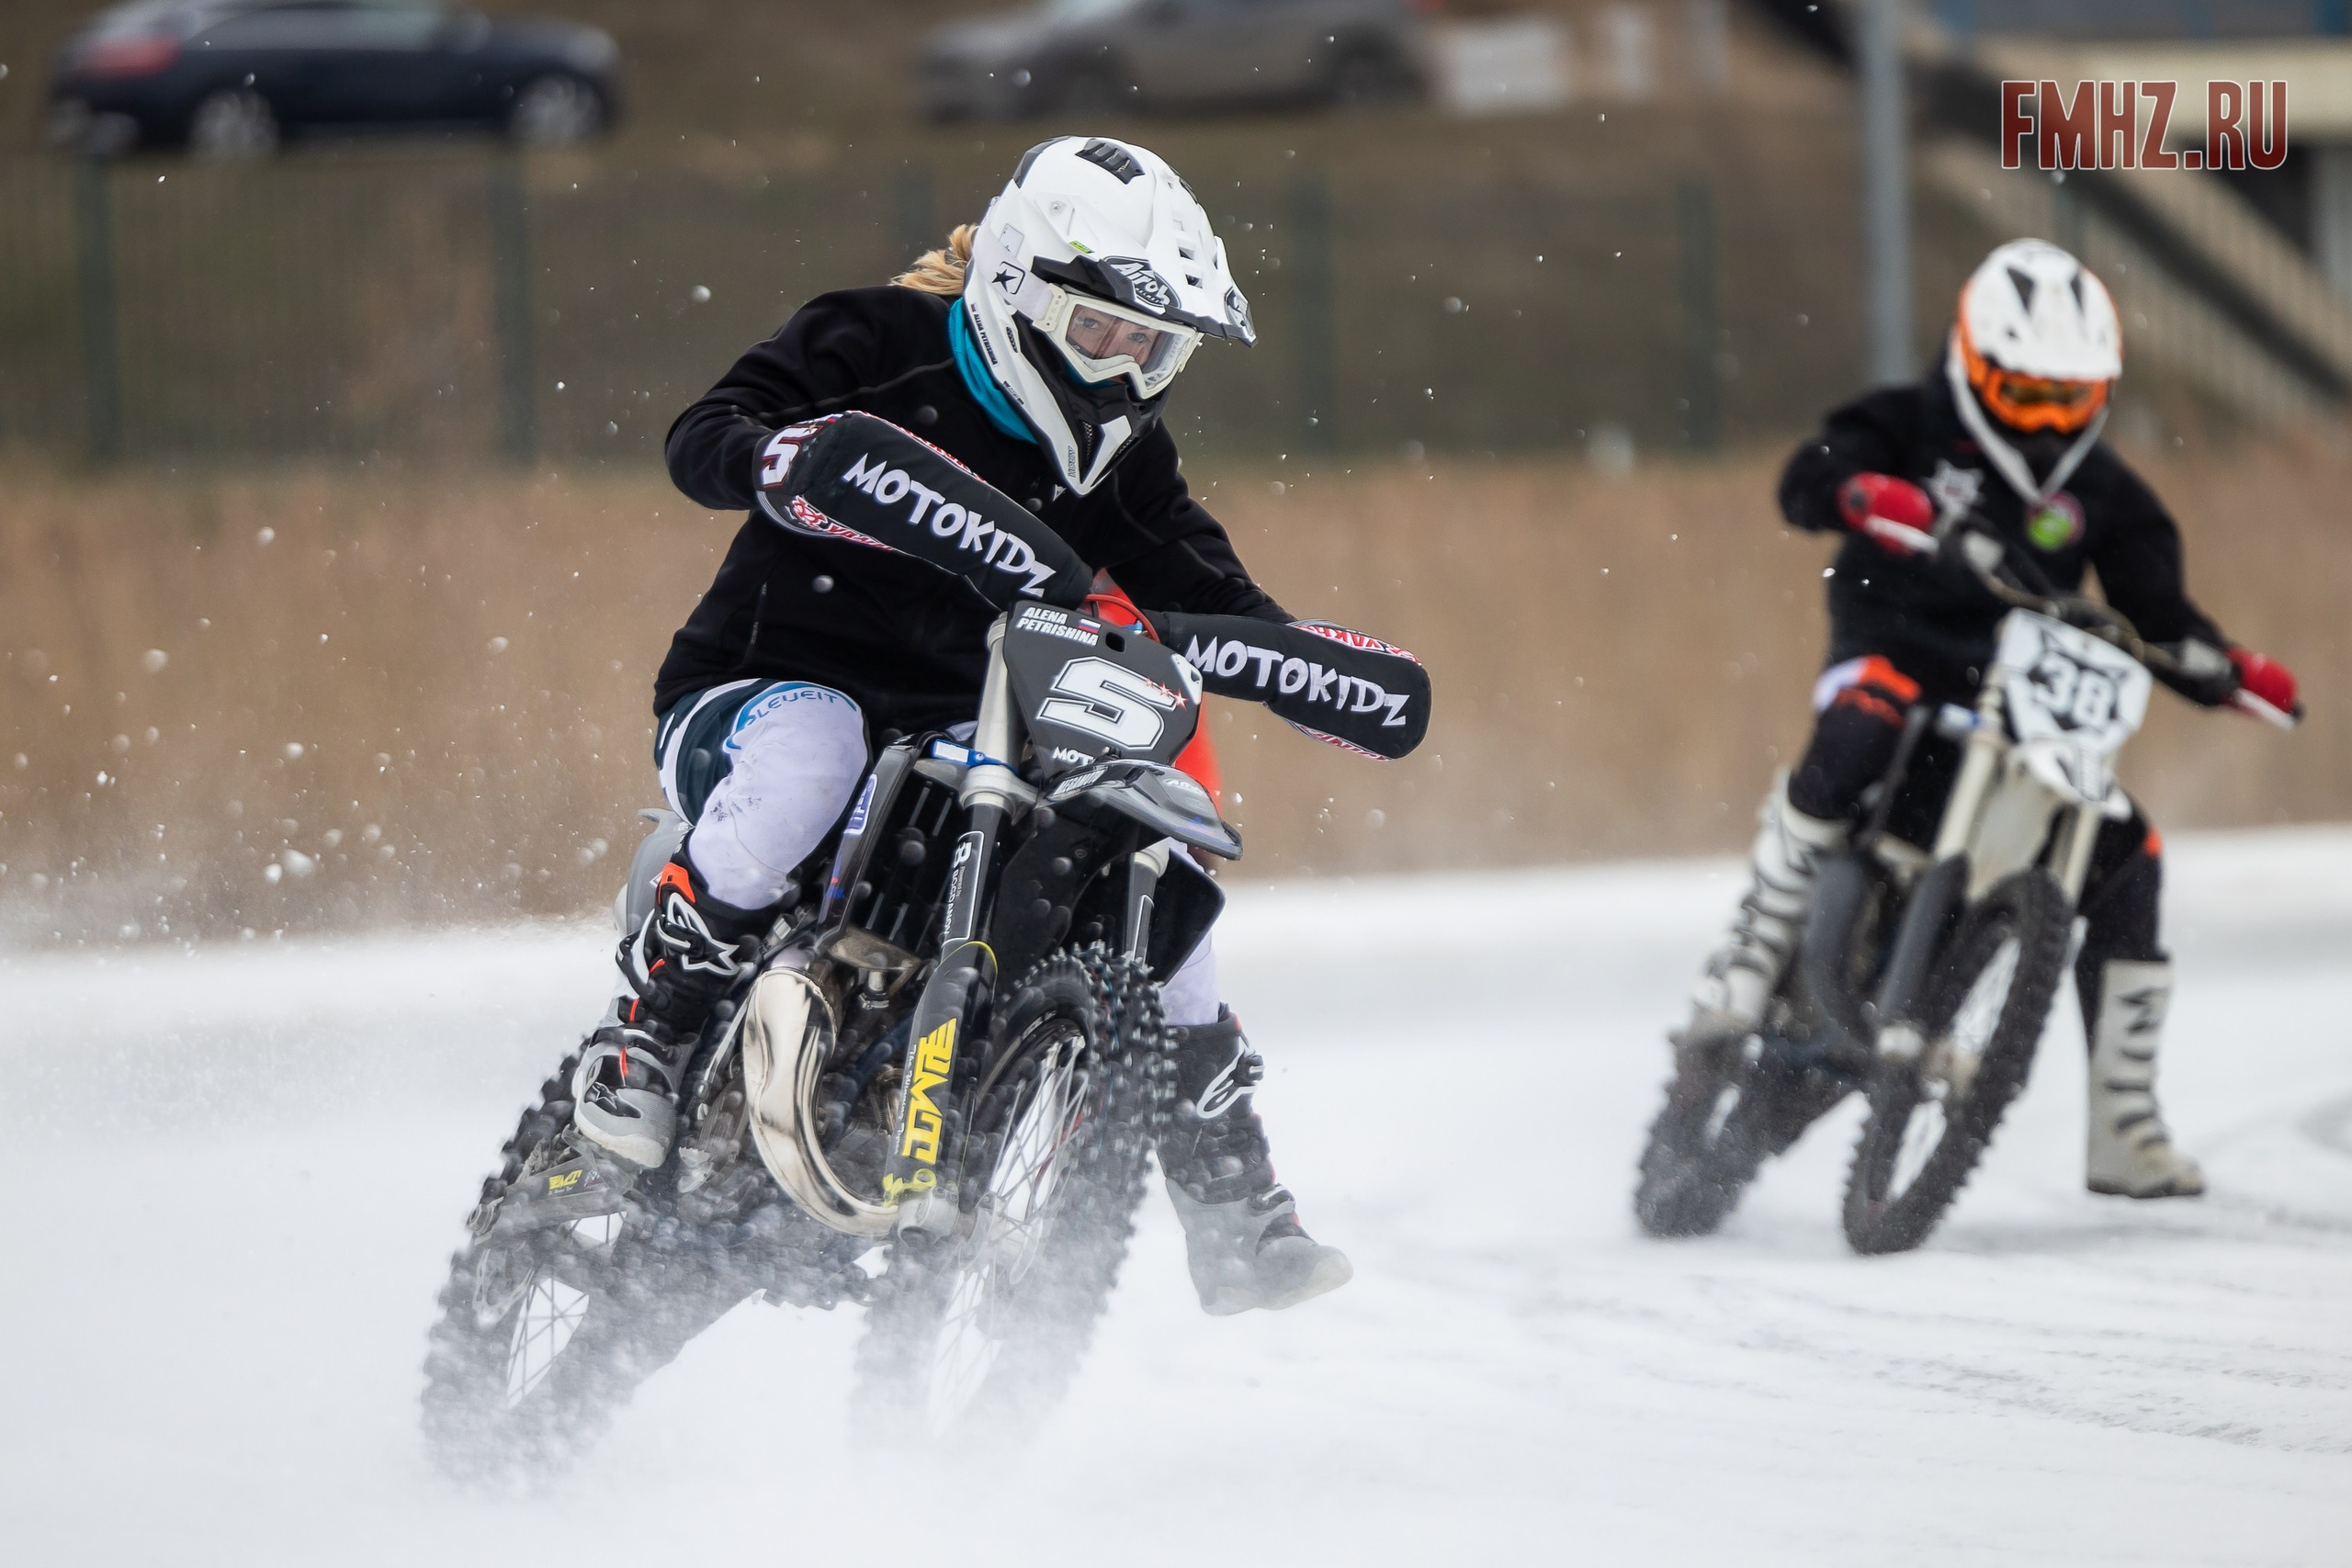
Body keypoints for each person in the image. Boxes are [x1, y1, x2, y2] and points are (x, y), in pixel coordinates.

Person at [570, 136, 1358, 1314]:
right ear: (1019, 288)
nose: (1123, 367)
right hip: (763, 688)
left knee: (1148, 835)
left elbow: (1204, 587)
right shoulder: (875, 340)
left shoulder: (1124, 455)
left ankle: (1227, 1192)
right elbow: (707, 433)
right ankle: (653, 1029)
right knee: (817, 751)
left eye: (1154, 345)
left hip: (970, 729)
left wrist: (1304, 665)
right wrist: (775, 455)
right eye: (1101, 330)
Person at [1677, 238, 2301, 1199]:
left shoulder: (2106, 496)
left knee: (2132, 856)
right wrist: (1860, 492)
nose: (2048, 422)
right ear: (1970, 359)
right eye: (2025, 397)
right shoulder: (1903, 424)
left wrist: (2227, 670)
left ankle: (2123, 1125)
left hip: (2017, 714)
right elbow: (1806, 480)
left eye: (2069, 400)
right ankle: (1757, 943)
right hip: (1890, 659)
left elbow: (2160, 621)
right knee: (1860, 722)